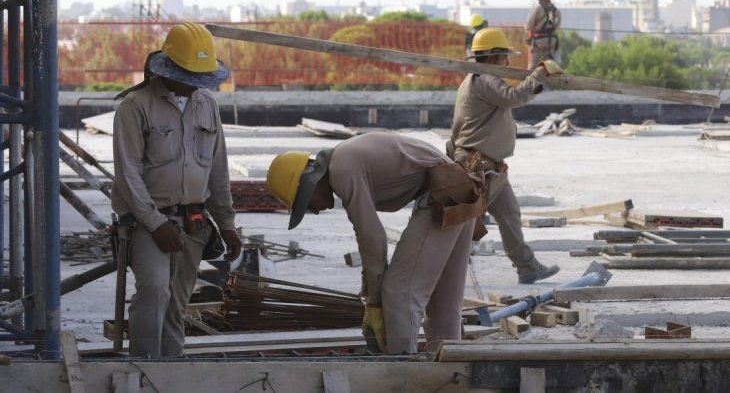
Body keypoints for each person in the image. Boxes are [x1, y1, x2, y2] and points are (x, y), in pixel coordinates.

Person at [266, 133, 486, 354]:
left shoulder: (343, 171)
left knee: (400, 292)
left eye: (306, 204)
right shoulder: (344, 158)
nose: (313, 211)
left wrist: (374, 302)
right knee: (443, 305)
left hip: (444, 195)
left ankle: (402, 373)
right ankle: (452, 372)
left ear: (310, 185)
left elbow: (372, 238)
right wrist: (370, 292)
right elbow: (370, 243)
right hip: (460, 191)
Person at [112, 22, 242, 358]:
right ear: (168, 68)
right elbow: (128, 175)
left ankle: (170, 371)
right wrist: (156, 224)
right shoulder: (135, 107)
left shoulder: (207, 105)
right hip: (147, 222)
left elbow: (217, 170)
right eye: (189, 76)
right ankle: (143, 371)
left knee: (176, 305)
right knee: (154, 292)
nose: (195, 85)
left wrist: (227, 224)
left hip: (193, 223)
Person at [449, 28, 563, 284]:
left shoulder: (473, 79)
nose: (507, 63)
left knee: (510, 216)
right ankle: (444, 270)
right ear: (491, 57)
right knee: (464, 224)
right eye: (503, 58)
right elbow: (515, 97)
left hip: (490, 167)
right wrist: (539, 74)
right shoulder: (485, 79)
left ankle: (527, 267)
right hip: (480, 167)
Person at [525, 0, 561, 70]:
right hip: (552, 42)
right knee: (549, 67)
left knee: (532, 67)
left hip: (538, 42)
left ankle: (530, 82)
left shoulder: (537, 9)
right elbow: (557, 26)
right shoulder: (556, 10)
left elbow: (528, 26)